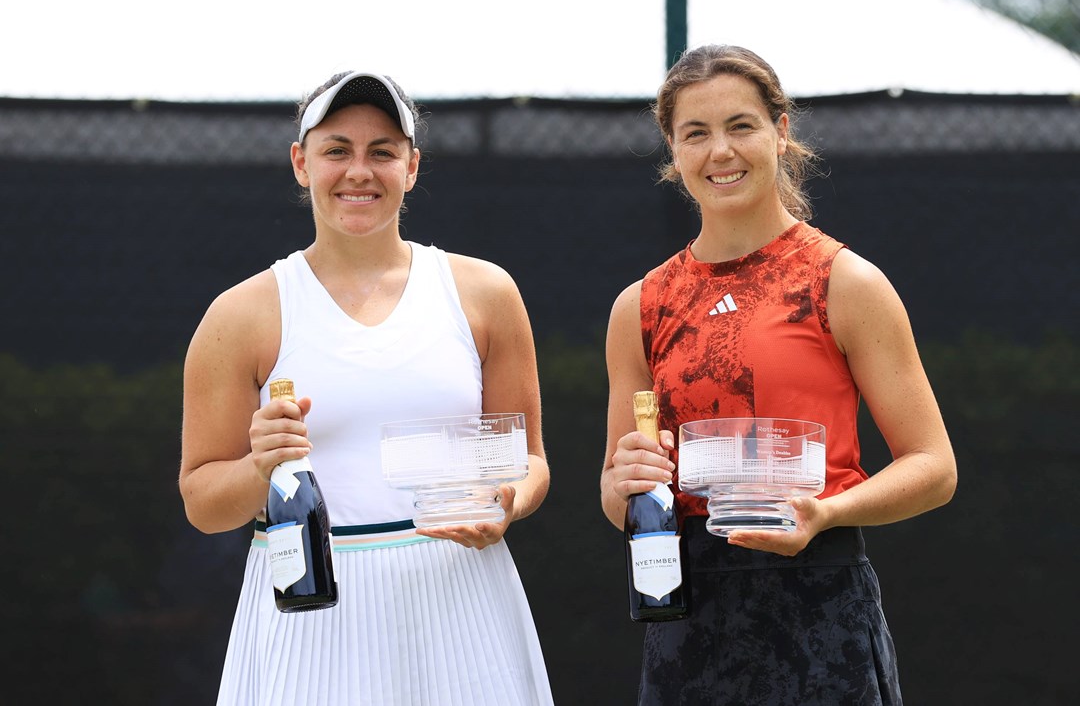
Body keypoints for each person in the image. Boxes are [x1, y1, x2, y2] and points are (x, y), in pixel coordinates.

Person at [178, 71, 554, 706]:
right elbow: (202, 501)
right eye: (336, 151)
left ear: (411, 166)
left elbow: (532, 463)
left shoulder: (486, 294)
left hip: (462, 602)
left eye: (382, 150)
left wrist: (506, 502)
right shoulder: (240, 315)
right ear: (302, 164)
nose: (360, 171)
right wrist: (259, 467)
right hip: (308, 618)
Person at [600, 45, 957, 705]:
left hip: (822, 610)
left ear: (781, 131)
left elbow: (934, 466)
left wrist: (824, 512)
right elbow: (620, 496)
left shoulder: (844, 281)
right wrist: (621, 481)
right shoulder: (640, 306)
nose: (721, 152)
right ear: (673, 153)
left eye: (741, 125)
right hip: (687, 623)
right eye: (696, 134)